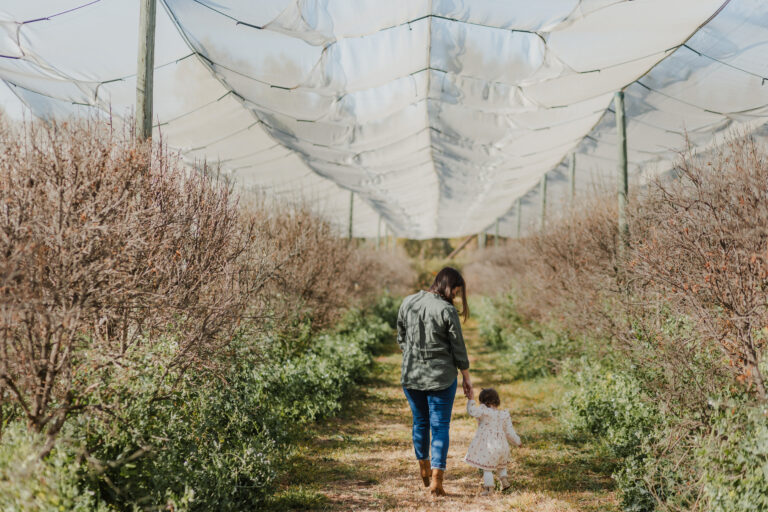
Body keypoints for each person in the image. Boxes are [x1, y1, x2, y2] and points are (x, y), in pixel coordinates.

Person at [397, 267, 472, 497]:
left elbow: (401, 337)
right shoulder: (446, 310)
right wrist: (466, 377)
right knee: (440, 427)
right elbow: (458, 346)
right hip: (441, 377)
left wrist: (413, 356)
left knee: (420, 422)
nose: (456, 295)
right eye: (456, 291)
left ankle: (424, 467)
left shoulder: (408, 302)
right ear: (449, 286)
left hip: (412, 376)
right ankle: (437, 480)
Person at [464, 387, 522, 496]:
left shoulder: (484, 411)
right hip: (502, 446)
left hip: (489, 446)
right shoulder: (503, 414)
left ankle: (489, 489)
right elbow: (509, 432)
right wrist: (518, 442)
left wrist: (471, 400)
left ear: (483, 401)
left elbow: (472, 411)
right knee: (501, 465)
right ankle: (504, 481)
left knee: (487, 468)